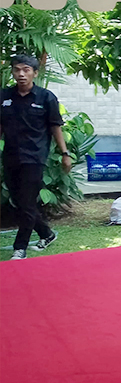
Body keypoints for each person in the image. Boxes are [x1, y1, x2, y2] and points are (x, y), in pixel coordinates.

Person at [0, 54, 72, 260]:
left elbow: (55, 127)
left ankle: (19, 248)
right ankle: (46, 233)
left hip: (34, 157)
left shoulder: (46, 97)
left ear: (35, 73)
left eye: (26, 70)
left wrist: (65, 154)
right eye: (17, 70)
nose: (21, 74)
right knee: (19, 201)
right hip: (11, 156)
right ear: (12, 72)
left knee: (27, 200)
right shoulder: (4, 96)